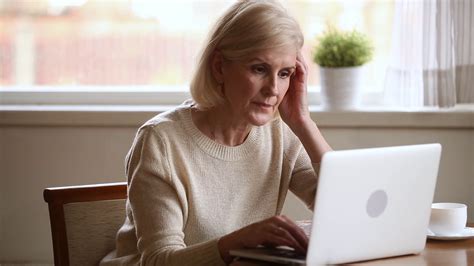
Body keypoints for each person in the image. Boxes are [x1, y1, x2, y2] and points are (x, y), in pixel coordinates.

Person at [100, 0, 332, 265]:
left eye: (285, 73)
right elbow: (157, 260)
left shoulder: (281, 133)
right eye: (259, 69)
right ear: (219, 67)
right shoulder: (161, 141)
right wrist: (235, 242)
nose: (273, 90)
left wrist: (303, 122)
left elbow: (343, 206)